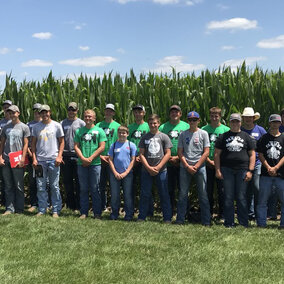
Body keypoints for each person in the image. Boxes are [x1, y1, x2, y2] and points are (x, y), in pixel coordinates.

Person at [214, 113, 256, 228]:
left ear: (240, 123)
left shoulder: (246, 137)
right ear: (229, 123)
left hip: (242, 170)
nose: (235, 123)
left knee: (241, 196)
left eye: (237, 121)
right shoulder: (223, 136)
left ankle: (243, 222)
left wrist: (250, 171)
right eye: (233, 121)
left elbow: (252, 155)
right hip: (226, 169)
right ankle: (229, 222)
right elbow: (216, 154)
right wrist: (218, 170)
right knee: (228, 196)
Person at [176, 111, 211, 226]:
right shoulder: (183, 134)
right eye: (190, 120)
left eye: (194, 120)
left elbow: (206, 152)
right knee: (182, 194)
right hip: (185, 167)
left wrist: (196, 166)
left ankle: (206, 220)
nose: (192, 122)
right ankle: (180, 219)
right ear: (188, 121)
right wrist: (187, 165)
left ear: (198, 121)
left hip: (199, 167)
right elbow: (180, 152)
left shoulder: (203, 133)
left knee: (203, 194)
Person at [138, 114, 173, 223]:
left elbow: (168, 153)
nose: (153, 125)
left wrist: (158, 167)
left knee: (164, 193)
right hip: (146, 171)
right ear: (148, 124)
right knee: (145, 193)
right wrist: (148, 167)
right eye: (151, 123)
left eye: (155, 123)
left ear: (159, 123)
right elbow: (141, 154)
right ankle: (142, 216)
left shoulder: (164, 137)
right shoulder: (144, 137)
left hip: (161, 170)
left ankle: (167, 217)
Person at [31, 105, 64, 218]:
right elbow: (33, 145)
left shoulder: (56, 125)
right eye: (42, 113)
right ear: (39, 114)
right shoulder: (35, 127)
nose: (44, 115)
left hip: (53, 161)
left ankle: (55, 210)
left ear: (50, 112)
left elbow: (62, 142)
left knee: (54, 186)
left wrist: (59, 156)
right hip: (40, 162)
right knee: (40, 186)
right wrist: (34, 159)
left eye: (46, 112)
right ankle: (42, 209)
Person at [74, 109, 106, 219]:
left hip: (95, 164)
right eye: (86, 116)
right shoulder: (79, 131)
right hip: (81, 163)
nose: (88, 118)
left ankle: (97, 212)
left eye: (90, 116)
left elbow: (102, 146)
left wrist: (91, 158)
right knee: (83, 188)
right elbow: (76, 146)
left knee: (95, 188)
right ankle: (84, 212)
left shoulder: (99, 131)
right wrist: (83, 158)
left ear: (94, 118)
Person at [0, 105, 30, 215]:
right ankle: (9, 208)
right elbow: (2, 143)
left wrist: (23, 158)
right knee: (8, 186)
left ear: (18, 113)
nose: (12, 115)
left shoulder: (24, 127)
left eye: (14, 113)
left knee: (18, 186)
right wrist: (0, 157)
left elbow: (26, 144)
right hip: (7, 159)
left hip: (18, 161)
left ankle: (19, 209)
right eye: (10, 113)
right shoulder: (5, 127)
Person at [159, 105, 189, 212]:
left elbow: (189, 144)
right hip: (167, 163)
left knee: (183, 189)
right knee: (169, 189)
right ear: (169, 114)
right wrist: (169, 158)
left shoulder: (186, 126)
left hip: (183, 163)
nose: (174, 114)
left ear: (180, 114)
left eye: (177, 112)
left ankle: (184, 212)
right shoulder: (162, 127)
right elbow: (159, 144)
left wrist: (178, 158)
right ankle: (170, 211)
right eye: (172, 112)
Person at [256, 114, 284, 228]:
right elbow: (261, 154)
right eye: (273, 122)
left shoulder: (283, 137)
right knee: (262, 201)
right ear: (269, 123)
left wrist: (276, 167)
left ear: (280, 123)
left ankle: (283, 224)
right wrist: (268, 167)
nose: (275, 124)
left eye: (277, 122)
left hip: (281, 174)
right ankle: (262, 223)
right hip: (265, 174)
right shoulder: (264, 138)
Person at [202, 107, 229, 218]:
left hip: (221, 165)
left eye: (216, 116)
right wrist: (208, 160)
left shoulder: (226, 130)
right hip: (207, 163)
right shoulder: (204, 129)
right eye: (212, 115)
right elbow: (200, 148)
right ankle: (208, 213)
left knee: (222, 191)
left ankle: (222, 214)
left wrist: (218, 163)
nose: (214, 118)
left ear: (220, 116)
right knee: (207, 190)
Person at [241, 107, 266, 220]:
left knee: (256, 188)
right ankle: (249, 214)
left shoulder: (260, 130)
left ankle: (257, 212)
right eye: (246, 117)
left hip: (257, 163)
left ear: (253, 118)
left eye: (250, 117)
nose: (248, 119)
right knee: (246, 190)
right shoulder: (240, 130)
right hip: (243, 164)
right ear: (243, 118)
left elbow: (267, 143)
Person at [128, 104, 152, 214]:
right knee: (131, 187)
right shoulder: (130, 127)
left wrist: (142, 157)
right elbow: (126, 144)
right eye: (135, 112)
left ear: (144, 113)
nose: (137, 114)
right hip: (132, 160)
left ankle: (148, 211)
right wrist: (134, 157)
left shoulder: (148, 126)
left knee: (146, 187)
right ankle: (130, 209)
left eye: (140, 111)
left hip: (146, 160)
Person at [108, 125, 136, 221]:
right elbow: (110, 160)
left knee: (127, 195)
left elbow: (133, 160)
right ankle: (114, 213)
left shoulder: (131, 145)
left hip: (127, 174)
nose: (121, 134)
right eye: (120, 132)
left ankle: (129, 214)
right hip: (115, 174)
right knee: (115, 195)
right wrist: (115, 172)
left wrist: (126, 172)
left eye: (124, 133)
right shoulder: (114, 145)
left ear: (127, 134)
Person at [61, 102, 85, 211]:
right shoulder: (62, 123)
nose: (71, 112)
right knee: (67, 182)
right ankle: (71, 206)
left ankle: (80, 206)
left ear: (77, 110)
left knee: (79, 182)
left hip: (77, 156)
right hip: (65, 155)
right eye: (69, 110)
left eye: (73, 110)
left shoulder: (82, 123)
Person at [96, 104, 120, 211]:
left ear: (113, 113)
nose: (108, 113)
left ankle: (114, 207)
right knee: (101, 184)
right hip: (99, 159)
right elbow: (94, 143)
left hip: (113, 159)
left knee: (114, 185)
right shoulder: (98, 125)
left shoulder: (118, 126)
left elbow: (120, 143)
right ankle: (102, 206)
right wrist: (100, 155)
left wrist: (112, 156)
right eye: (106, 111)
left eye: (110, 111)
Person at [26, 103, 42, 212]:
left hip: (44, 155)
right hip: (32, 155)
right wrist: (31, 154)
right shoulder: (29, 125)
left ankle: (46, 202)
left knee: (45, 181)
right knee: (33, 181)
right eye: (35, 110)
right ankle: (34, 203)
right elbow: (26, 142)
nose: (37, 113)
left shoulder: (46, 124)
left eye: (39, 111)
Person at [0, 100, 12, 206]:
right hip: (2, 154)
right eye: (5, 107)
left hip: (12, 154)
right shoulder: (1, 122)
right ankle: (3, 201)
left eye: (8, 107)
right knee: (4, 179)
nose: (6, 109)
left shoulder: (15, 122)